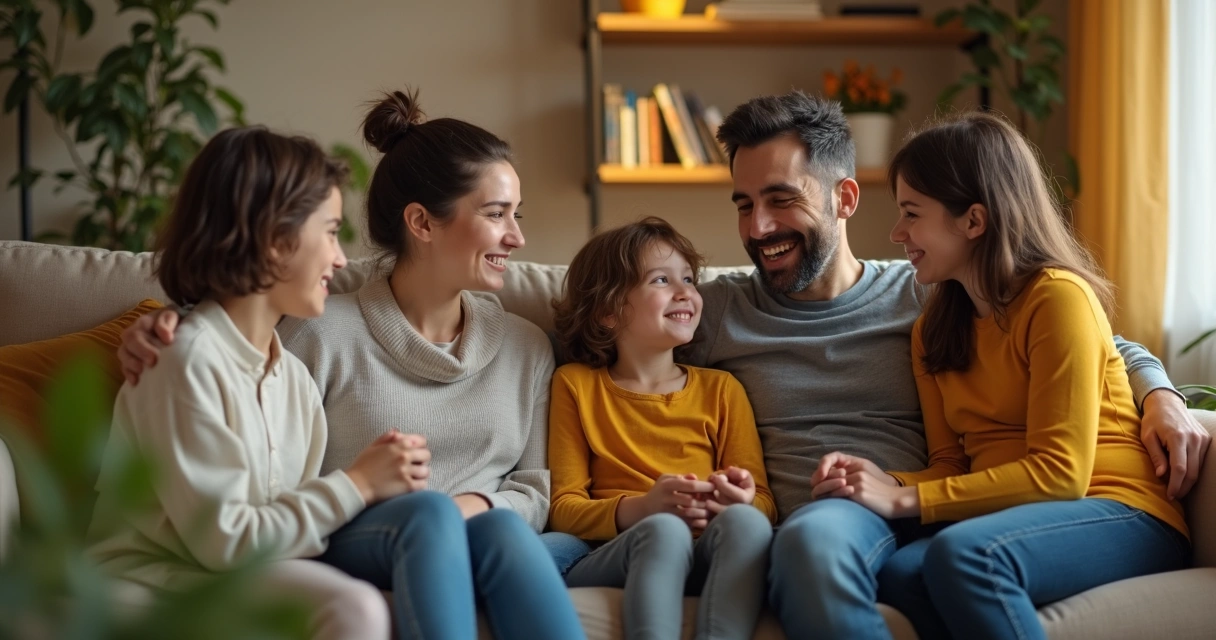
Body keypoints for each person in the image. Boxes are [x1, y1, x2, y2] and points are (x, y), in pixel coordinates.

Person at [684, 90, 1210, 638]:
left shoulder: (929, 291)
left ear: (844, 199)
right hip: (903, 506)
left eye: (780, 199)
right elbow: (609, 355)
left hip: (1045, 503)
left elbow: (1106, 349)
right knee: (906, 577)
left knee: (905, 553)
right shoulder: (723, 309)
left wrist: (1163, 396)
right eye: (744, 205)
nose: (758, 228)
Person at [115, 89, 586, 640]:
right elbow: (231, 342)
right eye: (496, 214)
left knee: (500, 531)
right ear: (422, 223)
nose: (518, 235)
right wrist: (172, 322)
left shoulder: (281, 369)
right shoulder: (299, 339)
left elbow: (537, 491)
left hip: (459, 533)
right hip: (304, 544)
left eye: (516, 214)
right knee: (431, 519)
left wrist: (468, 505)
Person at [810, 111, 1190, 640]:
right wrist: (876, 481)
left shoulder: (1057, 299)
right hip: (1015, 516)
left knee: (966, 556)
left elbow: (1061, 474)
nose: (897, 233)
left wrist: (903, 500)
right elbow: (951, 464)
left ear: (973, 220)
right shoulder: (935, 330)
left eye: (911, 214)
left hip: (1118, 510)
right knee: (900, 572)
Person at [89, 126, 400, 639]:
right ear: (275, 241)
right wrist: (359, 483)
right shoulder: (181, 362)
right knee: (355, 608)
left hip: (230, 575)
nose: (341, 258)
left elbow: (284, 532)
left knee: (356, 604)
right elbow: (228, 539)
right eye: (329, 231)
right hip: (151, 583)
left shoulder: (295, 380)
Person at [549, 217, 777, 640]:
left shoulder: (721, 390)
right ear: (607, 311)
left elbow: (763, 502)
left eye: (688, 278)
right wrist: (645, 507)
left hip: (706, 549)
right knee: (664, 528)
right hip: (618, 551)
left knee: (748, 524)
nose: (685, 292)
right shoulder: (576, 385)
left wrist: (737, 500)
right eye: (660, 279)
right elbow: (563, 508)